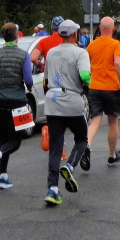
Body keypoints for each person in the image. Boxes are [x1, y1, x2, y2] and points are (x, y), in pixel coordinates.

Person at [42, 20, 90, 206]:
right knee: (81, 138)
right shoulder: (80, 52)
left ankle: (52, 189)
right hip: (72, 100)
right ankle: (70, 165)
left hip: (52, 100)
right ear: (75, 34)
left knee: (55, 147)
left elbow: (46, 79)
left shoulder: (51, 52)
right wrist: (91, 84)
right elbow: (85, 76)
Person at [0, 22, 33, 190]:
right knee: (16, 141)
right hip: (17, 102)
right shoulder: (24, 55)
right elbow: (28, 80)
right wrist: (29, 87)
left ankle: (3, 177)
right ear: (17, 36)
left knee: (4, 139)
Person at [82, 16, 120, 171]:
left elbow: (86, 63)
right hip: (111, 88)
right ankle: (112, 155)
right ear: (113, 29)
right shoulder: (116, 44)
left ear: (100, 28)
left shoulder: (92, 45)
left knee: (95, 120)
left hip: (94, 87)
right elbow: (117, 62)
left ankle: (87, 145)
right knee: (113, 122)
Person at [31, 16, 65, 83]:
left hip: (49, 77)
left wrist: (40, 66)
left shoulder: (43, 41)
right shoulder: (67, 41)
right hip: (65, 77)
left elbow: (33, 58)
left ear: (52, 28)